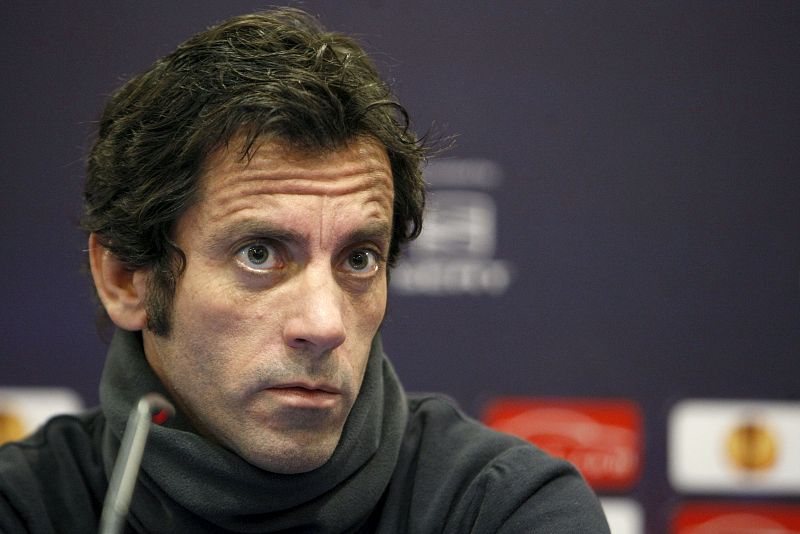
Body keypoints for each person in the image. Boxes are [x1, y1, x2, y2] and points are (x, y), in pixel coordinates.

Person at [0, 8, 609, 533]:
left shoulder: (503, 508)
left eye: (358, 259)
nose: (324, 325)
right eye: (259, 254)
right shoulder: (24, 508)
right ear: (125, 279)